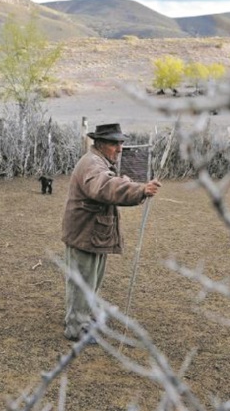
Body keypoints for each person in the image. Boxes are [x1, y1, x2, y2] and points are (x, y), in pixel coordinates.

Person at [61, 123, 161, 342]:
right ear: (100, 144)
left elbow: (110, 183)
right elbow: (104, 186)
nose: (120, 148)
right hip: (85, 233)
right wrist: (139, 189)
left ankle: (83, 317)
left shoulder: (99, 161)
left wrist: (132, 186)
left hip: (93, 232)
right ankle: (76, 328)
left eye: (121, 143)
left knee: (91, 281)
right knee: (83, 283)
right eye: (114, 143)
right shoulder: (92, 164)